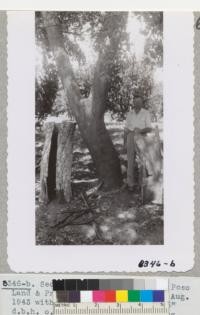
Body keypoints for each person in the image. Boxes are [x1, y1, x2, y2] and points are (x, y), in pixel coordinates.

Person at [124, 92, 152, 191]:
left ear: (142, 102)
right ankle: (130, 184)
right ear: (133, 102)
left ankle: (142, 184)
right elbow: (126, 129)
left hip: (141, 136)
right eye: (135, 102)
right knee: (130, 161)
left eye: (139, 102)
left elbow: (149, 128)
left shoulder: (146, 113)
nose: (137, 104)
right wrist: (124, 143)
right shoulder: (129, 113)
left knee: (142, 161)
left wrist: (140, 130)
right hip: (130, 136)